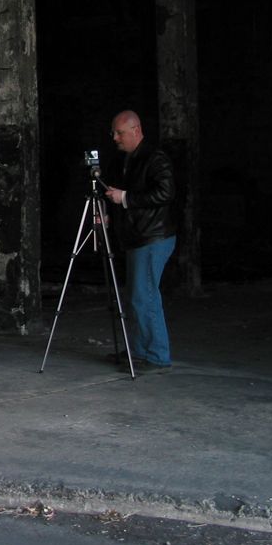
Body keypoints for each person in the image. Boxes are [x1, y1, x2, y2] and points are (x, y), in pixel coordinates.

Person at [103, 110, 177, 370]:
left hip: (152, 237)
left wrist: (124, 198)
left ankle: (155, 355)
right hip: (139, 237)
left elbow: (165, 192)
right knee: (138, 295)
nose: (115, 137)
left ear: (136, 130)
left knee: (144, 296)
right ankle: (139, 349)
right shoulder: (128, 159)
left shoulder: (155, 158)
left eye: (120, 133)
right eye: (113, 132)